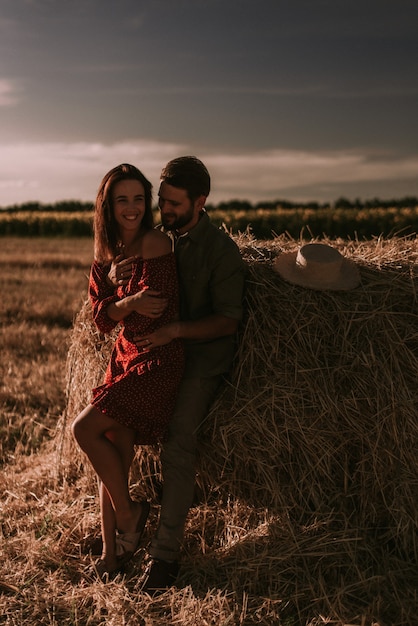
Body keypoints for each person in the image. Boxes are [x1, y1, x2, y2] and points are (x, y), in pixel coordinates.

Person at [133, 156, 246, 593]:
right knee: (114, 415)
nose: (165, 210)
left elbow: (227, 322)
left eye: (175, 204)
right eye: (162, 201)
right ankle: (125, 529)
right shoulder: (158, 239)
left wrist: (176, 331)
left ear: (201, 202)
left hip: (201, 359)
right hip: (162, 350)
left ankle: (165, 557)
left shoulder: (222, 252)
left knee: (179, 442)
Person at [71, 163, 184, 579]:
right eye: (123, 200)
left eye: (139, 198)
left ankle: (132, 514)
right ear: (109, 206)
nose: (133, 207)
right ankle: (110, 556)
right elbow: (101, 320)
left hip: (155, 362)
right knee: (114, 455)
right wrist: (124, 301)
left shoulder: (156, 244)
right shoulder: (105, 256)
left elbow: (150, 309)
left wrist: (124, 298)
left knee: (84, 430)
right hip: (123, 359)